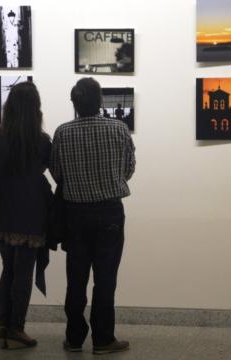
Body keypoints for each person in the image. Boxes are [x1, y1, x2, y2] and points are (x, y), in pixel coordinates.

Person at [50, 77, 136, 355]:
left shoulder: (62, 132)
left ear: (74, 103)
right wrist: (109, 179)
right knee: (106, 278)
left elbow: (57, 173)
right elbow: (129, 168)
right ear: (100, 102)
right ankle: (103, 338)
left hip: (75, 214)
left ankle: (74, 338)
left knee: (76, 278)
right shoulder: (118, 128)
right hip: (110, 211)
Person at [0, 81, 52, 350]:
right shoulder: (42, 141)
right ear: (36, 109)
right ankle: (16, 329)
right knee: (23, 273)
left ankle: (4, 327)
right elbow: (50, 169)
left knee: (8, 270)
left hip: (1, 212)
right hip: (30, 215)